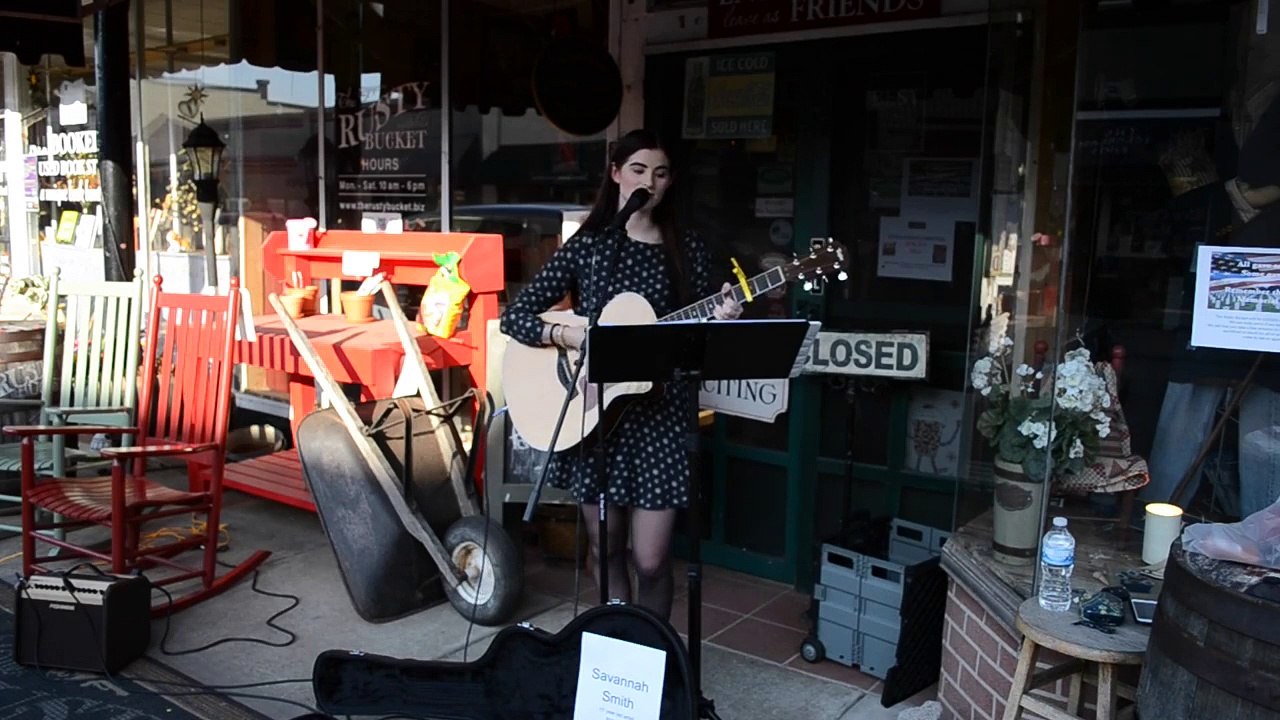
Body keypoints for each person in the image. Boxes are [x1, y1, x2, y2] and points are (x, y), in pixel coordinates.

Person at [499, 129, 743, 620]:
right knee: (605, 549)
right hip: (596, 417)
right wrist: (571, 337)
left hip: (661, 419)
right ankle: (614, 649)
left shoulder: (686, 250)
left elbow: (700, 342)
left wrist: (722, 320)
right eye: (638, 170)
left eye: (660, 173)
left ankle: (650, 653)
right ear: (615, 175)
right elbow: (516, 317)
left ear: (670, 182)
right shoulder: (591, 247)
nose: (648, 182)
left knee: (651, 561)